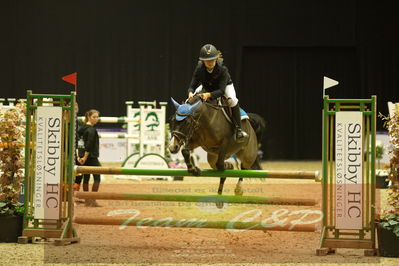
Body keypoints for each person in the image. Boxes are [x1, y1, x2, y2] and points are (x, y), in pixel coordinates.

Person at [187, 43, 248, 142]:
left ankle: (238, 129)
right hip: (207, 86)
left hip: (224, 87)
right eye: (207, 61)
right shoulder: (199, 68)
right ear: (202, 61)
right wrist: (190, 93)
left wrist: (208, 94)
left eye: (212, 59)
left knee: (232, 100)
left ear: (216, 59)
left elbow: (221, 91)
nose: (210, 62)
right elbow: (192, 85)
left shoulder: (222, 69)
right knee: (188, 101)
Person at [77, 109, 101, 207]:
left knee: (86, 178)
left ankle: (87, 200)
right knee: (97, 178)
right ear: (88, 117)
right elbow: (89, 144)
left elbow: (79, 142)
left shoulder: (81, 128)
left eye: (97, 117)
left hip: (82, 157)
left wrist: (80, 156)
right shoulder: (91, 130)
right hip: (91, 157)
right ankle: (93, 200)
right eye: (94, 117)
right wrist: (85, 156)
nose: (96, 119)